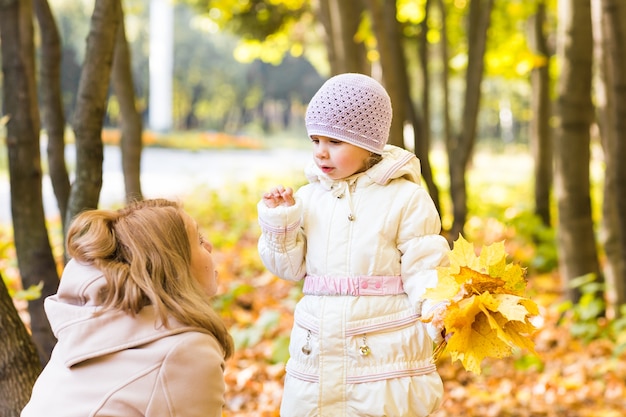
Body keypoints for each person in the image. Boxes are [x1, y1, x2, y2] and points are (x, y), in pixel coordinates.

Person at [257, 73, 451, 417]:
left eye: (335, 141)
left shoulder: (405, 198)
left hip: (382, 355)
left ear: (369, 145)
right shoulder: (309, 198)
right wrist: (282, 223)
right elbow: (288, 268)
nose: (321, 152)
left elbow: (425, 263)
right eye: (315, 140)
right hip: (317, 353)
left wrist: (437, 308)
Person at [21, 198, 234, 417]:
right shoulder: (187, 351)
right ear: (173, 265)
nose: (209, 245)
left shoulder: (89, 330)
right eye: (198, 240)